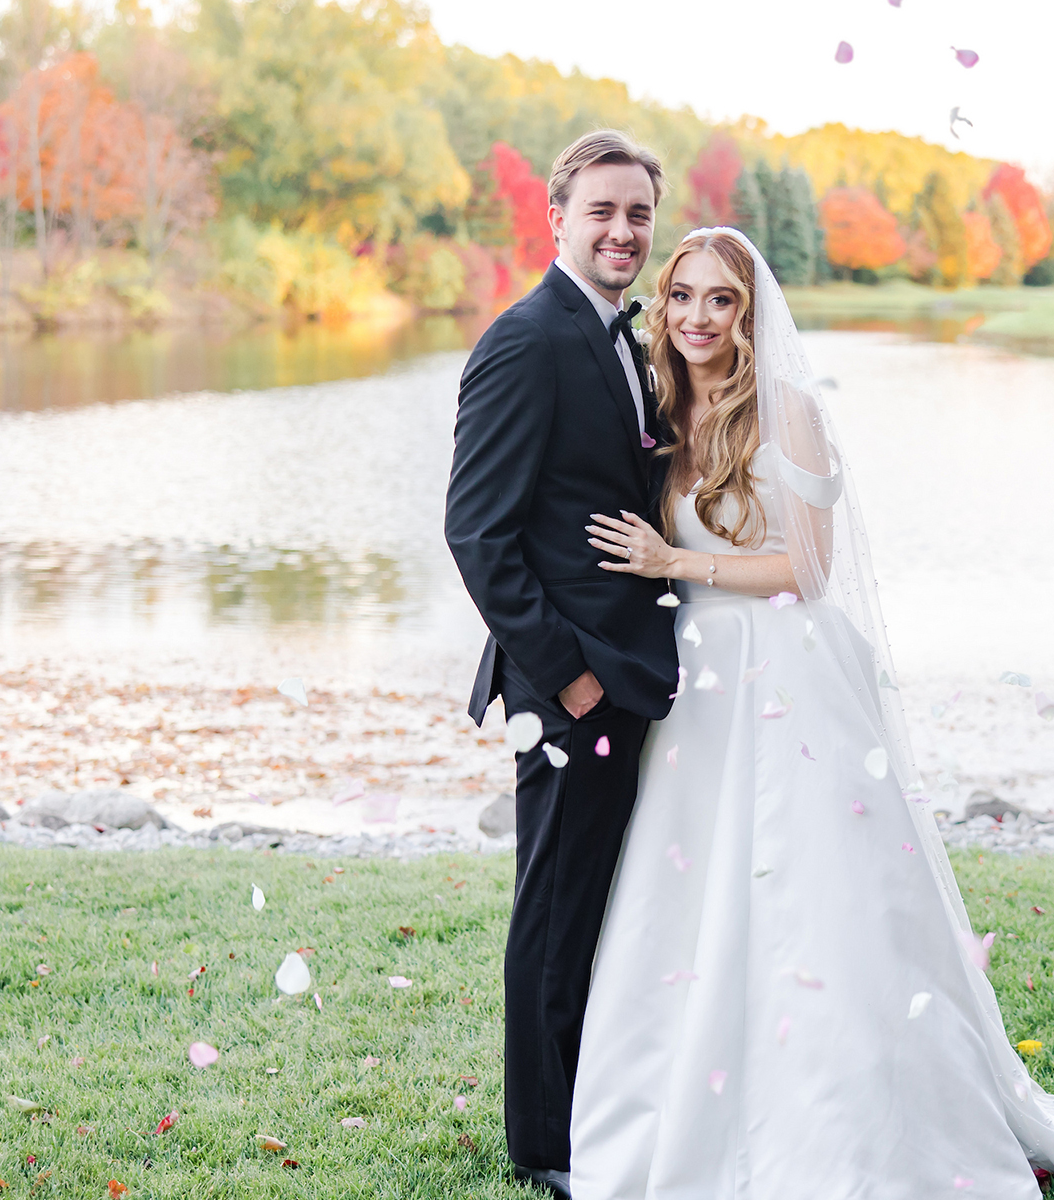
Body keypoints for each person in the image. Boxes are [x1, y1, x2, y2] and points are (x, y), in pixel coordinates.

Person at [566, 227, 1054, 1198]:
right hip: (696, 686)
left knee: (812, 885)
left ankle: (845, 1117)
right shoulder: (662, 408)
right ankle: (686, 1099)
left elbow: (808, 568)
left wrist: (677, 562)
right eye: (683, 297)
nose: (699, 317)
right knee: (694, 887)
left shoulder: (788, 411)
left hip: (785, 671)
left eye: (721, 300)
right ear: (662, 307)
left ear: (750, 315)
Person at [444, 129, 679, 1197]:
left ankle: (598, 1106)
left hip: (628, 670)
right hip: (570, 682)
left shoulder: (624, 338)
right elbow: (477, 533)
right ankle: (546, 1144)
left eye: (638, 214)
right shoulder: (526, 340)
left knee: (599, 900)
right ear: (557, 219)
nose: (622, 231)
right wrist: (571, 679)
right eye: (602, 212)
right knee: (555, 907)